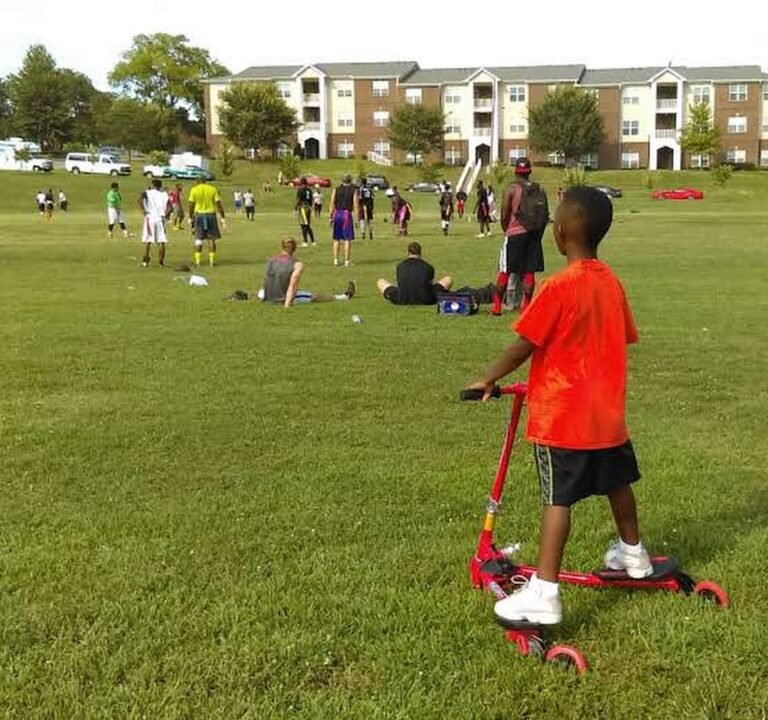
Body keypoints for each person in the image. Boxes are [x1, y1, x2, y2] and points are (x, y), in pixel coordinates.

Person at [466, 186, 651, 627]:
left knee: (557, 499)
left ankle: (545, 592)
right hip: (606, 416)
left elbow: (523, 346)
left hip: (561, 418)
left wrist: (489, 378)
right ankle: (634, 555)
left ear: (564, 230)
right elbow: (617, 336)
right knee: (617, 482)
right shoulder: (610, 282)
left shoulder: (559, 287)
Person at [493, 157, 547, 315]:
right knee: (529, 271)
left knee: (505, 269)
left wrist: (506, 229)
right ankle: (526, 306)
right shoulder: (539, 189)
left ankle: (497, 306)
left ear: (516, 171)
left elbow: (504, 214)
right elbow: (544, 215)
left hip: (515, 233)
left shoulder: (511, 188)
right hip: (534, 234)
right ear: (529, 171)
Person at [258, 237, 356, 307]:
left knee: (260, 292)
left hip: (267, 295)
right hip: (281, 298)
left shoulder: (270, 260)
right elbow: (293, 286)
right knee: (314, 297)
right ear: (294, 249)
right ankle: (342, 297)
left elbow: (267, 280)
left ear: (281, 247)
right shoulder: (297, 264)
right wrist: (287, 305)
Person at [376, 241, 452, 305]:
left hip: (402, 299)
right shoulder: (428, 267)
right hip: (426, 299)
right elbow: (429, 284)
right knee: (448, 279)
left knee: (380, 281)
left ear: (408, 252)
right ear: (420, 252)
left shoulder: (400, 266)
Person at [188, 176, 226, 267]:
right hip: (210, 215)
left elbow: (191, 204)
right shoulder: (212, 189)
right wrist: (222, 216)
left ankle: (198, 261)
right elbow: (218, 203)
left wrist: (190, 216)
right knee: (211, 239)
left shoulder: (194, 190)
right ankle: (212, 261)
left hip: (199, 215)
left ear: (198, 181)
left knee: (198, 238)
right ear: (205, 181)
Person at [137, 178, 171, 267]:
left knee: (148, 240)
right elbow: (170, 208)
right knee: (161, 241)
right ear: (160, 186)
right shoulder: (164, 194)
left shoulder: (148, 192)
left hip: (150, 217)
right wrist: (166, 215)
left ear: (152, 185)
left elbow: (140, 198)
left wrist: (143, 209)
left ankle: (145, 261)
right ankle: (160, 262)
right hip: (160, 218)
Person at [329, 174, 359, 267]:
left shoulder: (336, 189)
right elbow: (356, 205)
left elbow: (332, 203)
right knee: (347, 239)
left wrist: (330, 216)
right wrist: (357, 219)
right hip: (346, 214)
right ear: (350, 181)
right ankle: (346, 261)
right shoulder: (354, 190)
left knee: (336, 238)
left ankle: (335, 260)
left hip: (337, 213)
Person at [295, 177, 316, 247]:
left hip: (303, 207)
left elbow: (298, 199)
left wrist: (296, 207)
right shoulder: (309, 190)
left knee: (303, 225)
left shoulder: (300, 189)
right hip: (308, 208)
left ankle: (305, 241)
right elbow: (311, 200)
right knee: (307, 224)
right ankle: (313, 241)